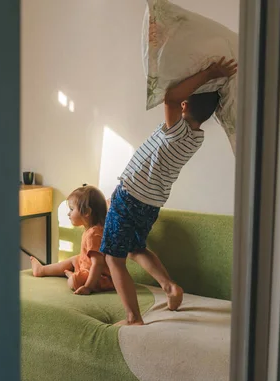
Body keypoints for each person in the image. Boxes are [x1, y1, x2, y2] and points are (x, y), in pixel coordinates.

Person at [101, 57, 238, 325]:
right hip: (150, 204)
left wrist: (209, 72)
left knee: (112, 259)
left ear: (185, 105)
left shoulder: (177, 131)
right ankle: (169, 286)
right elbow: (175, 102)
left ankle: (133, 317)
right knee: (136, 249)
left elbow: (169, 98)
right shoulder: (195, 138)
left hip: (130, 197)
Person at [30, 185, 114, 295]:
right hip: (88, 269)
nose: (68, 213)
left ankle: (72, 276)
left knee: (75, 281)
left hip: (101, 278)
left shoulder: (93, 234)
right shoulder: (94, 230)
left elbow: (97, 264)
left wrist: (88, 287)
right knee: (75, 259)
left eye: (71, 209)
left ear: (87, 212)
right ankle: (42, 270)